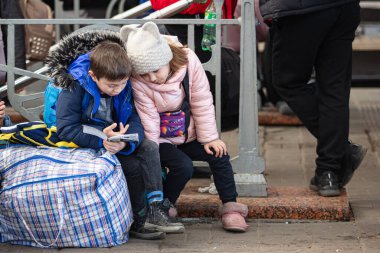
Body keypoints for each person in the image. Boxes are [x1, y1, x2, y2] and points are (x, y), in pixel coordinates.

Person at [45, 40, 184, 239]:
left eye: (122, 84)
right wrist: (102, 140)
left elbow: (135, 118)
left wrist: (127, 141)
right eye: (111, 85)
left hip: (117, 138)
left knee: (150, 147)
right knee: (133, 166)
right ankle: (139, 220)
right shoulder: (74, 85)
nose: (118, 89)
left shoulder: (122, 83)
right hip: (85, 141)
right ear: (93, 76)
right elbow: (66, 128)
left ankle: (155, 211)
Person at [120, 22, 249, 232]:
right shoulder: (138, 80)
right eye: (144, 74)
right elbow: (148, 118)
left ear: (167, 59)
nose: (152, 78)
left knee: (219, 154)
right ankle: (165, 205)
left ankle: (231, 208)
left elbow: (201, 100)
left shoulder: (188, 61)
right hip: (160, 140)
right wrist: (152, 151)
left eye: (155, 70)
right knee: (183, 166)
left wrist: (209, 138)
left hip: (189, 133)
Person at [259, 0, 367, 196]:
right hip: (344, 7)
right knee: (334, 89)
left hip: (301, 9)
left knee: (287, 82)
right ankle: (328, 173)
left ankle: (340, 151)